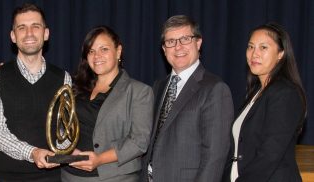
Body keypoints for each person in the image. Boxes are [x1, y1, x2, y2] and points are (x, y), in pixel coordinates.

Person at [0, 3, 72, 182]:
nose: (29, 33)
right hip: (7, 177)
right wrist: (33, 153)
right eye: (22, 28)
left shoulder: (63, 78)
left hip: (53, 177)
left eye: (35, 26)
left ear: (46, 33)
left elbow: (65, 131)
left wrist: (64, 151)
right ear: (13, 36)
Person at [141, 15, 234, 182]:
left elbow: (215, 156)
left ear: (198, 43)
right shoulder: (158, 86)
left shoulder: (215, 89)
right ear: (164, 49)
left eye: (185, 39)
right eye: (171, 41)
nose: (178, 47)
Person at [60, 26, 154, 182]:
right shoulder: (75, 87)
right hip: (70, 176)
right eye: (91, 51)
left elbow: (139, 142)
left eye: (104, 49)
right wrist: (68, 149)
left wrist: (100, 159)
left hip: (115, 178)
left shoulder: (139, 91)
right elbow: (62, 125)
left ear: (118, 51)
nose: (97, 56)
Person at [223, 23, 306, 182]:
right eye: (251, 47)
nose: (254, 54)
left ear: (281, 53)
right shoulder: (255, 93)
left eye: (263, 47)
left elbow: (270, 155)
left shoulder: (286, 94)